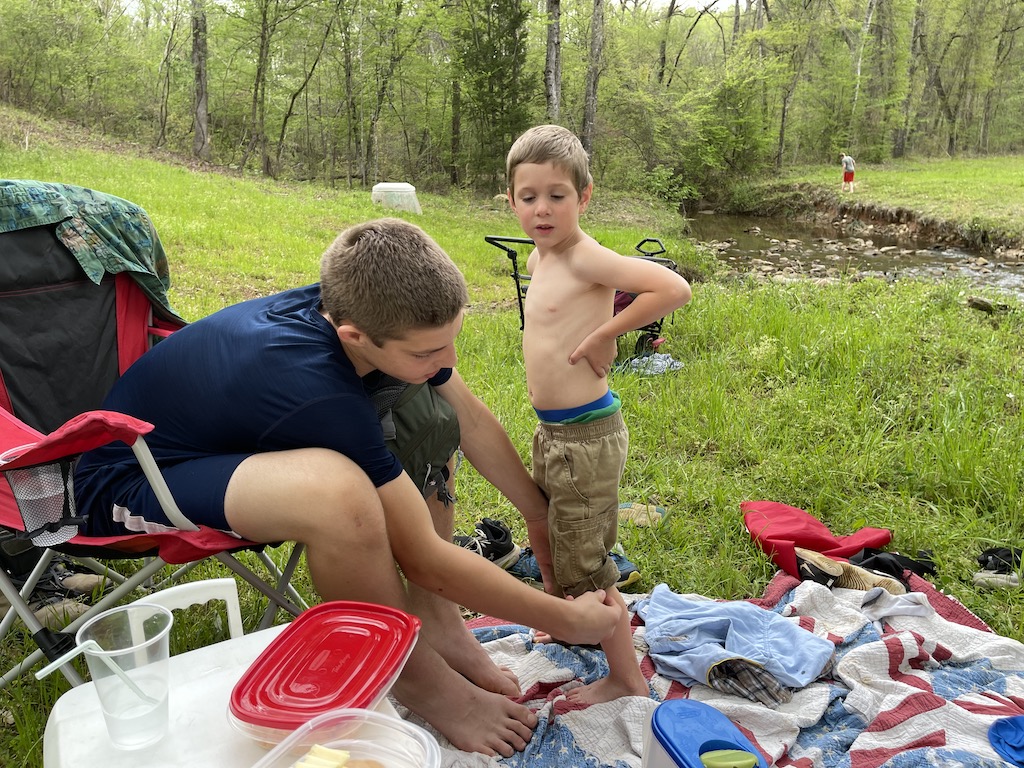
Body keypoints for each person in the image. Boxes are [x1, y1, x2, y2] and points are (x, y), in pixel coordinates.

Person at [73, 218, 621, 757]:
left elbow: (469, 419)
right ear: (354, 337)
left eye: (451, 342)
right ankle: (417, 679)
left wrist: (533, 514)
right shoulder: (318, 387)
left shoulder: (366, 308)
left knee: (428, 413)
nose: (446, 362)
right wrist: (563, 618)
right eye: (428, 352)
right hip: (130, 476)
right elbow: (425, 559)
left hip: (225, 445)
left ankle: (438, 622)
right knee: (337, 495)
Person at [505, 125, 692, 705]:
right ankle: (569, 617)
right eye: (528, 196)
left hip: (586, 434)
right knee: (554, 531)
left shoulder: (585, 255)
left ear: (583, 198)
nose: (542, 209)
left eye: (557, 195)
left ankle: (624, 678)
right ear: (510, 199)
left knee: (586, 558)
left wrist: (606, 333)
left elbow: (672, 288)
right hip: (554, 429)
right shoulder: (541, 256)